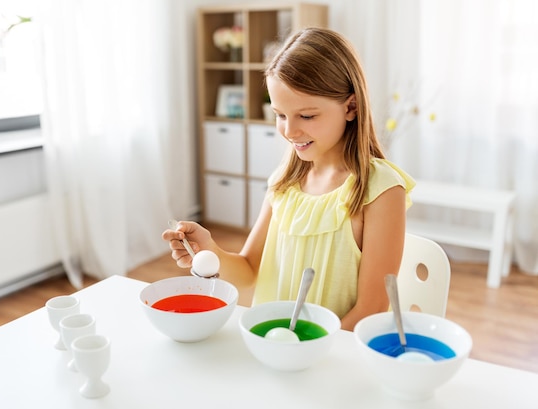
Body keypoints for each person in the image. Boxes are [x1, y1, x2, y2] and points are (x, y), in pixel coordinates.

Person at [163, 28, 415, 331]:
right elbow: (248, 269)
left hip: (329, 357)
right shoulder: (284, 183)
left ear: (351, 107)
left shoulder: (380, 189)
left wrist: (307, 349)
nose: (290, 131)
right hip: (272, 345)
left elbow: (371, 308)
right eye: (280, 115)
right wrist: (209, 251)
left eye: (306, 116)